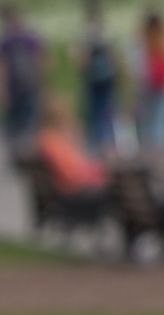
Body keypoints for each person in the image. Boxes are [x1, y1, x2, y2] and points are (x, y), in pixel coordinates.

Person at [0, 5, 46, 154]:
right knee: (20, 120)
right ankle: (21, 148)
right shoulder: (17, 40)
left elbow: (40, 60)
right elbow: (0, 66)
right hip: (20, 86)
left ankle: (23, 148)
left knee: (24, 120)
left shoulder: (13, 41)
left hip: (24, 85)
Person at [35, 98, 109, 200]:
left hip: (76, 186)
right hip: (74, 192)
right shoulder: (53, 142)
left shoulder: (53, 139)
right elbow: (72, 175)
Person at [73, 2, 121, 156]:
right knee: (106, 110)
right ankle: (107, 143)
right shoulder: (107, 32)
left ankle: (96, 144)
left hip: (93, 78)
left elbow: (82, 59)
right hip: (107, 77)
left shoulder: (86, 33)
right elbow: (114, 58)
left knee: (93, 111)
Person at [134, 8, 164, 153]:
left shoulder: (152, 40)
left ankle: (157, 151)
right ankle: (160, 151)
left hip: (157, 86)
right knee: (161, 123)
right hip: (159, 86)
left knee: (155, 124)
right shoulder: (163, 39)